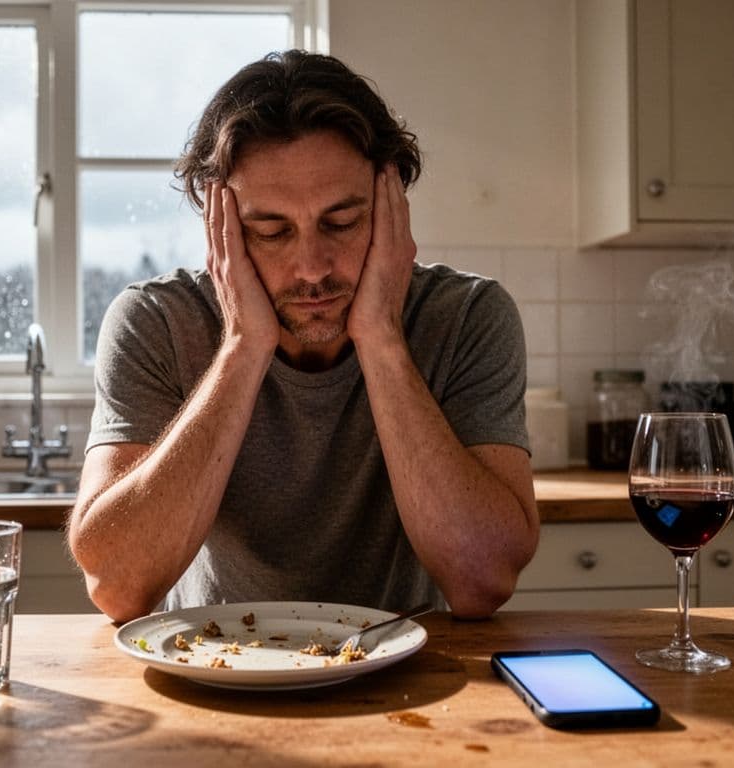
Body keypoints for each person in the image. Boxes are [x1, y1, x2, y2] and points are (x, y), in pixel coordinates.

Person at [67, 50, 537, 623]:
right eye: (270, 231)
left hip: (407, 665)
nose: (312, 268)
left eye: (342, 222)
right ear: (219, 228)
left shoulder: (468, 317)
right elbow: (117, 586)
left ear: (392, 205)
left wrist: (382, 338)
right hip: (211, 660)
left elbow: (483, 579)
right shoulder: (154, 322)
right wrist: (243, 345)